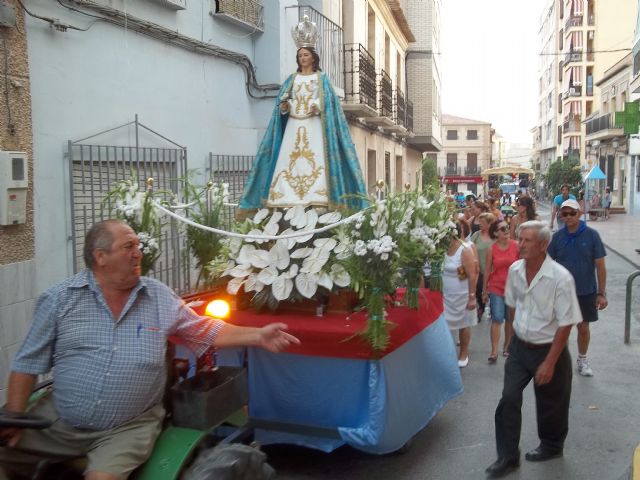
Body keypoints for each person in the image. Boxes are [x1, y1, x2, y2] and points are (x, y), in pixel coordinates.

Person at [0, 220, 300, 480]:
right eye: (128, 246)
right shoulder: (59, 300)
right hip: (60, 421)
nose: (138, 252)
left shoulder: (157, 296)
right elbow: (27, 363)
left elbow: (202, 329)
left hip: (126, 429)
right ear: (100, 257)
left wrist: (257, 335)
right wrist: (14, 415)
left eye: (138, 245)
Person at [238, 16, 366, 211]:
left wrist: (318, 105)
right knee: (289, 159)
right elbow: (283, 102)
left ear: (313, 57)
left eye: (306, 55)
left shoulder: (321, 78)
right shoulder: (292, 79)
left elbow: (330, 103)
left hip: (315, 127)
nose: (303, 58)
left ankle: (318, 197)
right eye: (300, 55)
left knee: (316, 157)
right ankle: (284, 197)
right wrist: (284, 107)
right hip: (294, 126)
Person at [486, 221, 582, 478]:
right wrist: (514, 338)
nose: (521, 245)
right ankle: (507, 456)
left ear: (543, 245)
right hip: (520, 347)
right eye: (521, 239)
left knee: (552, 403)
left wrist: (550, 362)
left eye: (527, 240)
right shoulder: (516, 270)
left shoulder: (560, 277)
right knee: (508, 398)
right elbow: (512, 304)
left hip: (550, 348)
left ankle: (552, 446)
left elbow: (566, 322)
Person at [547, 199, 607, 377]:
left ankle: (582, 359)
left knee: (583, 328)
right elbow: (548, 264)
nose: (568, 217)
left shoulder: (592, 235)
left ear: (579, 214)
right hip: (562, 292)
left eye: (572, 213)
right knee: (561, 329)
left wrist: (601, 293)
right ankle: (562, 361)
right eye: (564, 214)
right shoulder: (557, 238)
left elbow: (600, 266)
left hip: (586, 290)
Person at [442, 220, 478, 368]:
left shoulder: (464, 250)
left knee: (464, 324)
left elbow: (472, 275)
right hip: (445, 295)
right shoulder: (441, 249)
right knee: (444, 325)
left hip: (462, 294)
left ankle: (463, 353)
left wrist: (472, 297)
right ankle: (447, 353)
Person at [482, 220, 519, 364]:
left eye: (507, 228)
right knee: (497, 318)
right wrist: (484, 291)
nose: (506, 230)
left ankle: (507, 347)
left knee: (510, 319)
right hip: (496, 287)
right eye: (502, 229)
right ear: (496, 233)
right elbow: (487, 271)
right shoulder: (492, 249)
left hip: (513, 288)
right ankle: (493, 351)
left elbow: (523, 266)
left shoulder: (516, 246)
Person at [470, 212, 496, 322]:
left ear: (490, 224)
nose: (480, 224)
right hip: (478, 269)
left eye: (483, 222)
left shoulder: (495, 237)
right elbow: (469, 249)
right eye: (479, 221)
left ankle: (492, 309)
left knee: (492, 291)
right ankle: (480, 308)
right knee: (479, 290)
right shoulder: (476, 235)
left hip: (492, 270)